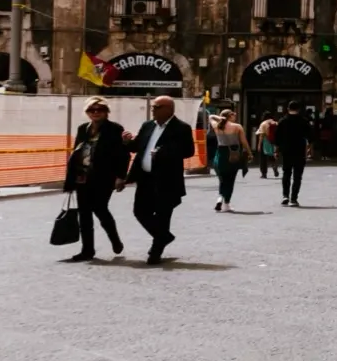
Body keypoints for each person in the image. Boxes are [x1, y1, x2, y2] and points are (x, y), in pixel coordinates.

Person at [125, 95, 195, 263]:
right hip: (145, 178)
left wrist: (165, 152)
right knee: (140, 212)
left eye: (157, 107)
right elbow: (138, 147)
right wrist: (127, 142)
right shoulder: (147, 125)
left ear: (169, 109)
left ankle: (155, 252)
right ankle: (164, 236)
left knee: (163, 215)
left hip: (167, 179)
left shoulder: (181, 128)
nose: (153, 110)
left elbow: (188, 151)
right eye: (152, 107)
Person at [62, 96, 129, 262]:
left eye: (100, 109)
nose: (96, 112)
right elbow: (76, 153)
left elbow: (123, 154)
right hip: (82, 176)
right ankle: (87, 250)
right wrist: (70, 179)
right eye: (92, 110)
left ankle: (114, 239)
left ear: (107, 112)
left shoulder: (115, 129)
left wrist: (121, 177)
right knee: (84, 214)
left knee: (100, 209)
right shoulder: (83, 129)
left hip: (104, 177)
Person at [210, 108, 250, 212]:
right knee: (230, 180)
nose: (235, 116)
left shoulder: (217, 125)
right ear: (230, 116)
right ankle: (226, 203)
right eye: (233, 115)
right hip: (233, 154)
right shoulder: (237, 127)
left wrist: (221, 119)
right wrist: (249, 153)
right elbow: (244, 141)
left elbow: (210, 116)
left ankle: (220, 198)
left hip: (220, 154)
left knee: (222, 179)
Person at [274, 105, 310, 206]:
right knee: (297, 176)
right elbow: (310, 136)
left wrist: (276, 151)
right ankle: (294, 198)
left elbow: (277, 137)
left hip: (286, 151)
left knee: (286, 173)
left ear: (288, 109)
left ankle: (285, 195)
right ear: (298, 109)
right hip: (299, 151)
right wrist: (309, 149)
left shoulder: (283, 121)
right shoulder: (303, 121)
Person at [255, 113, 279, 178]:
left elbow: (261, 135)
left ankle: (264, 173)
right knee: (271, 156)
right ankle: (274, 167)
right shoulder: (276, 123)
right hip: (273, 141)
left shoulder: (263, 123)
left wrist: (259, 145)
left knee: (263, 158)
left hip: (265, 141)